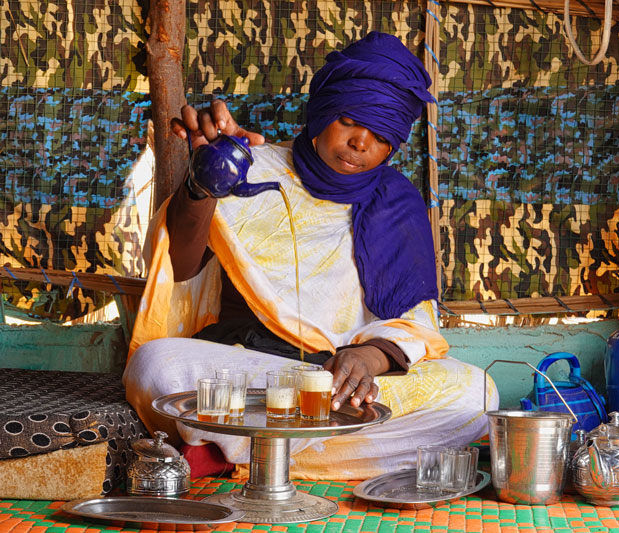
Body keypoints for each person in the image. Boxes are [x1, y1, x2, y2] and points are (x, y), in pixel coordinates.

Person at [123, 31, 498, 480]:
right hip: (256, 368)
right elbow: (179, 269)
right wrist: (201, 187)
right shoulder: (250, 167)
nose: (362, 142)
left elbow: (413, 324)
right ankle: (273, 451)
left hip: (343, 382)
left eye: (381, 134)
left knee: (475, 395)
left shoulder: (397, 202)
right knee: (156, 365)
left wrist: (369, 360)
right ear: (322, 110)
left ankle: (237, 453)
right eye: (350, 121)